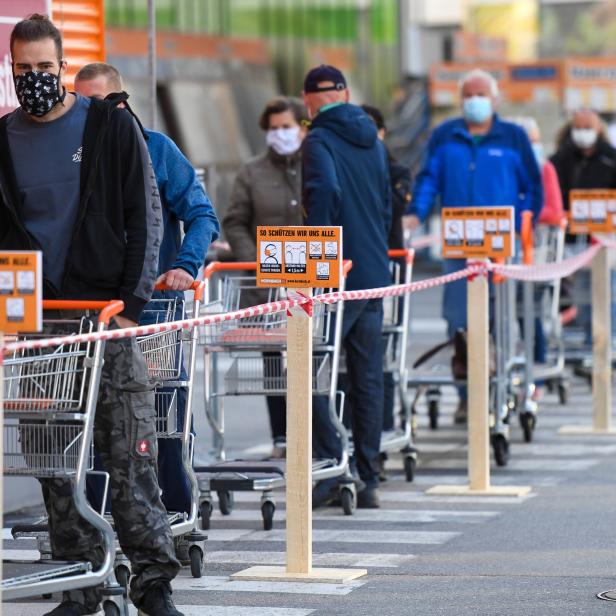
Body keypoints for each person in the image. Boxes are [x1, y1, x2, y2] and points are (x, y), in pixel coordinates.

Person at [0, 15, 183, 616]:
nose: (34, 80)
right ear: (11, 68)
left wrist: (131, 307)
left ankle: (152, 583)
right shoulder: (3, 141)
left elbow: (145, 216)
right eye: (22, 69)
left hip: (106, 317)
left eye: (44, 69)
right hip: (38, 327)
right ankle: (80, 585)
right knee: (54, 458)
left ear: (63, 65)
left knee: (130, 450)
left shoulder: (108, 126)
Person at [74, 62, 220, 516]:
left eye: (95, 103)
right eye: (79, 105)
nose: (86, 115)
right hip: (95, 311)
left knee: (161, 411)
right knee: (94, 415)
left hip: (154, 306)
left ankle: (174, 512)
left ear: (119, 102)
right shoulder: (73, 156)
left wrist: (184, 265)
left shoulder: (157, 150)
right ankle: (102, 515)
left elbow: (202, 215)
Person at [405, 68, 543, 424]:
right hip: (458, 245)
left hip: (501, 245)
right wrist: (415, 214)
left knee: (498, 320)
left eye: (481, 94)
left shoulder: (512, 137)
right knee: (457, 319)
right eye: (468, 94)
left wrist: (522, 221)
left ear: (494, 100)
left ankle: (497, 390)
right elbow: (428, 180)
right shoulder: (444, 135)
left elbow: (534, 188)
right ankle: (467, 393)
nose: (474, 100)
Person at [302, 65, 392, 508]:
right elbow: (386, 203)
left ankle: (330, 468)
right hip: (373, 272)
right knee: (366, 376)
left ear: (307, 101)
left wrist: (316, 265)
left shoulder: (318, 140)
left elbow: (324, 197)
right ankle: (369, 475)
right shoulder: (373, 139)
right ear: (346, 94)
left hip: (337, 274)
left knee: (311, 370)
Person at [222, 96, 308, 458]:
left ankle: (316, 433)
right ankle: (282, 438)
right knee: (274, 362)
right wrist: (255, 262)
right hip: (267, 289)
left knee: (315, 359)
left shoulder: (318, 166)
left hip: (312, 284)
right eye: (273, 129)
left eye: (286, 127)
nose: (279, 134)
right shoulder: (252, 172)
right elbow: (235, 221)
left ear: (303, 127)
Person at [361, 103, 412, 438]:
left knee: (383, 348)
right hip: (357, 272)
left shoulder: (394, 171)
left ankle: (386, 425)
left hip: (387, 266)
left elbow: (392, 211)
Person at [550, 108, 616, 344]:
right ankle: (582, 337)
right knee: (576, 293)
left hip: (603, 237)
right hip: (569, 239)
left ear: (598, 129)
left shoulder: (611, 158)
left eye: (587, 127)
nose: (582, 133)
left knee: (605, 290)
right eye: (578, 127)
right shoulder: (560, 160)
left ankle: (604, 340)